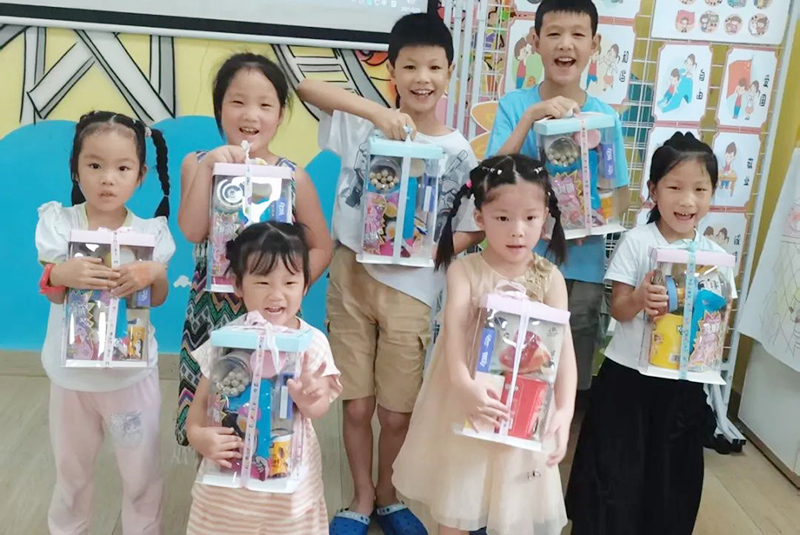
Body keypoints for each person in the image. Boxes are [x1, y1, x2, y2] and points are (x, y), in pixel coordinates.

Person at [297, 12, 485, 535]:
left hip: (413, 291)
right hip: (351, 276)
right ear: (393, 71)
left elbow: (473, 229)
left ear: (449, 73)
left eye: (434, 67)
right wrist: (377, 113)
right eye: (410, 66)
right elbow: (306, 87)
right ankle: (360, 496)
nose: (422, 78)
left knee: (397, 412)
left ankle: (389, 495)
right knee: (356, 405)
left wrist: (427, 247)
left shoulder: (458, 151)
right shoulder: (364, 124)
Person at [393, 154, 577, 535]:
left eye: (530, 217)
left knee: (515, 506)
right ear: (479, 218)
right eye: (503, 218)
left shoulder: (551, 278)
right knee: (458, 498)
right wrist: (464, 385)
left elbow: (564, 352)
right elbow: (453, 333)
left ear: (545, 217)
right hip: (466, 398)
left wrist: (565, 409)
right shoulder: (465, 270)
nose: (517, 231)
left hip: (525, 405)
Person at [565, 132, 736, 535]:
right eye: (675, 188)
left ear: (712, 194)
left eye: (700, 189)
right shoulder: (638, 241)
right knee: (617, 472)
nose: (687, 201)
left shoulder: (714, 256)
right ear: (653, 191)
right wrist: (641, 298)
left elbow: (719, 317)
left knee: (670, 476)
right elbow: (619, 309)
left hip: (682, 384)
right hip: (628, 381)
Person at [176, 53, 333, 449]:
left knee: (270, 418)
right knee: (212, 418)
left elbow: (321, 246)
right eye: (238, 102)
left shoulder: (292, 176)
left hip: (273, 317)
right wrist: (210, 168)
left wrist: (289, 289)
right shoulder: (197, 163)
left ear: (280, 114)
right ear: (219, 108)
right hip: (212, 311)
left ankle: (269, 478)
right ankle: (211, 481)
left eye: (265, 104)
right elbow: (192, 230)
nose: (251, 115)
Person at [36, 111, 175, 535]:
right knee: (72, 473)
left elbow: (157, 298)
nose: (107, 179)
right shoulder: (59, 224)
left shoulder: (151, 232)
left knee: (140, 473)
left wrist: (153, 273)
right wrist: (62, 273)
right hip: (71, 381)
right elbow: (52, 289)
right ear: (76, 168)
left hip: (129, 379)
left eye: (122, 168)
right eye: (94, 165)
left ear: (141, 175)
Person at [487, 0, 630, 396]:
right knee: (508, 372)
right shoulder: (515, 106)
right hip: (518, 261)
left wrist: (593, 218)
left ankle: (559, 439)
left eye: (577, 35)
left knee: (567, 381)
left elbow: (619, 194)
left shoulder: (605, 118)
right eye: (554, 34)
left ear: (594, 44)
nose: (565, 44)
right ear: (535, 41)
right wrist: (531, 118)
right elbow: (489, 179)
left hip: (581, 267)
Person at [185, 222, 341, 535]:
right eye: (262, 281)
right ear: (238, 284)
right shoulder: (226, 340)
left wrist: (311, 397)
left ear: (305, 285)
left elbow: (319, 407)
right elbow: (199, 406)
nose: (276, 294)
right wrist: (198, 436)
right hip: (227, 491)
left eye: (290, 282)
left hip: (288, 488)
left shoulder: (312, 342)